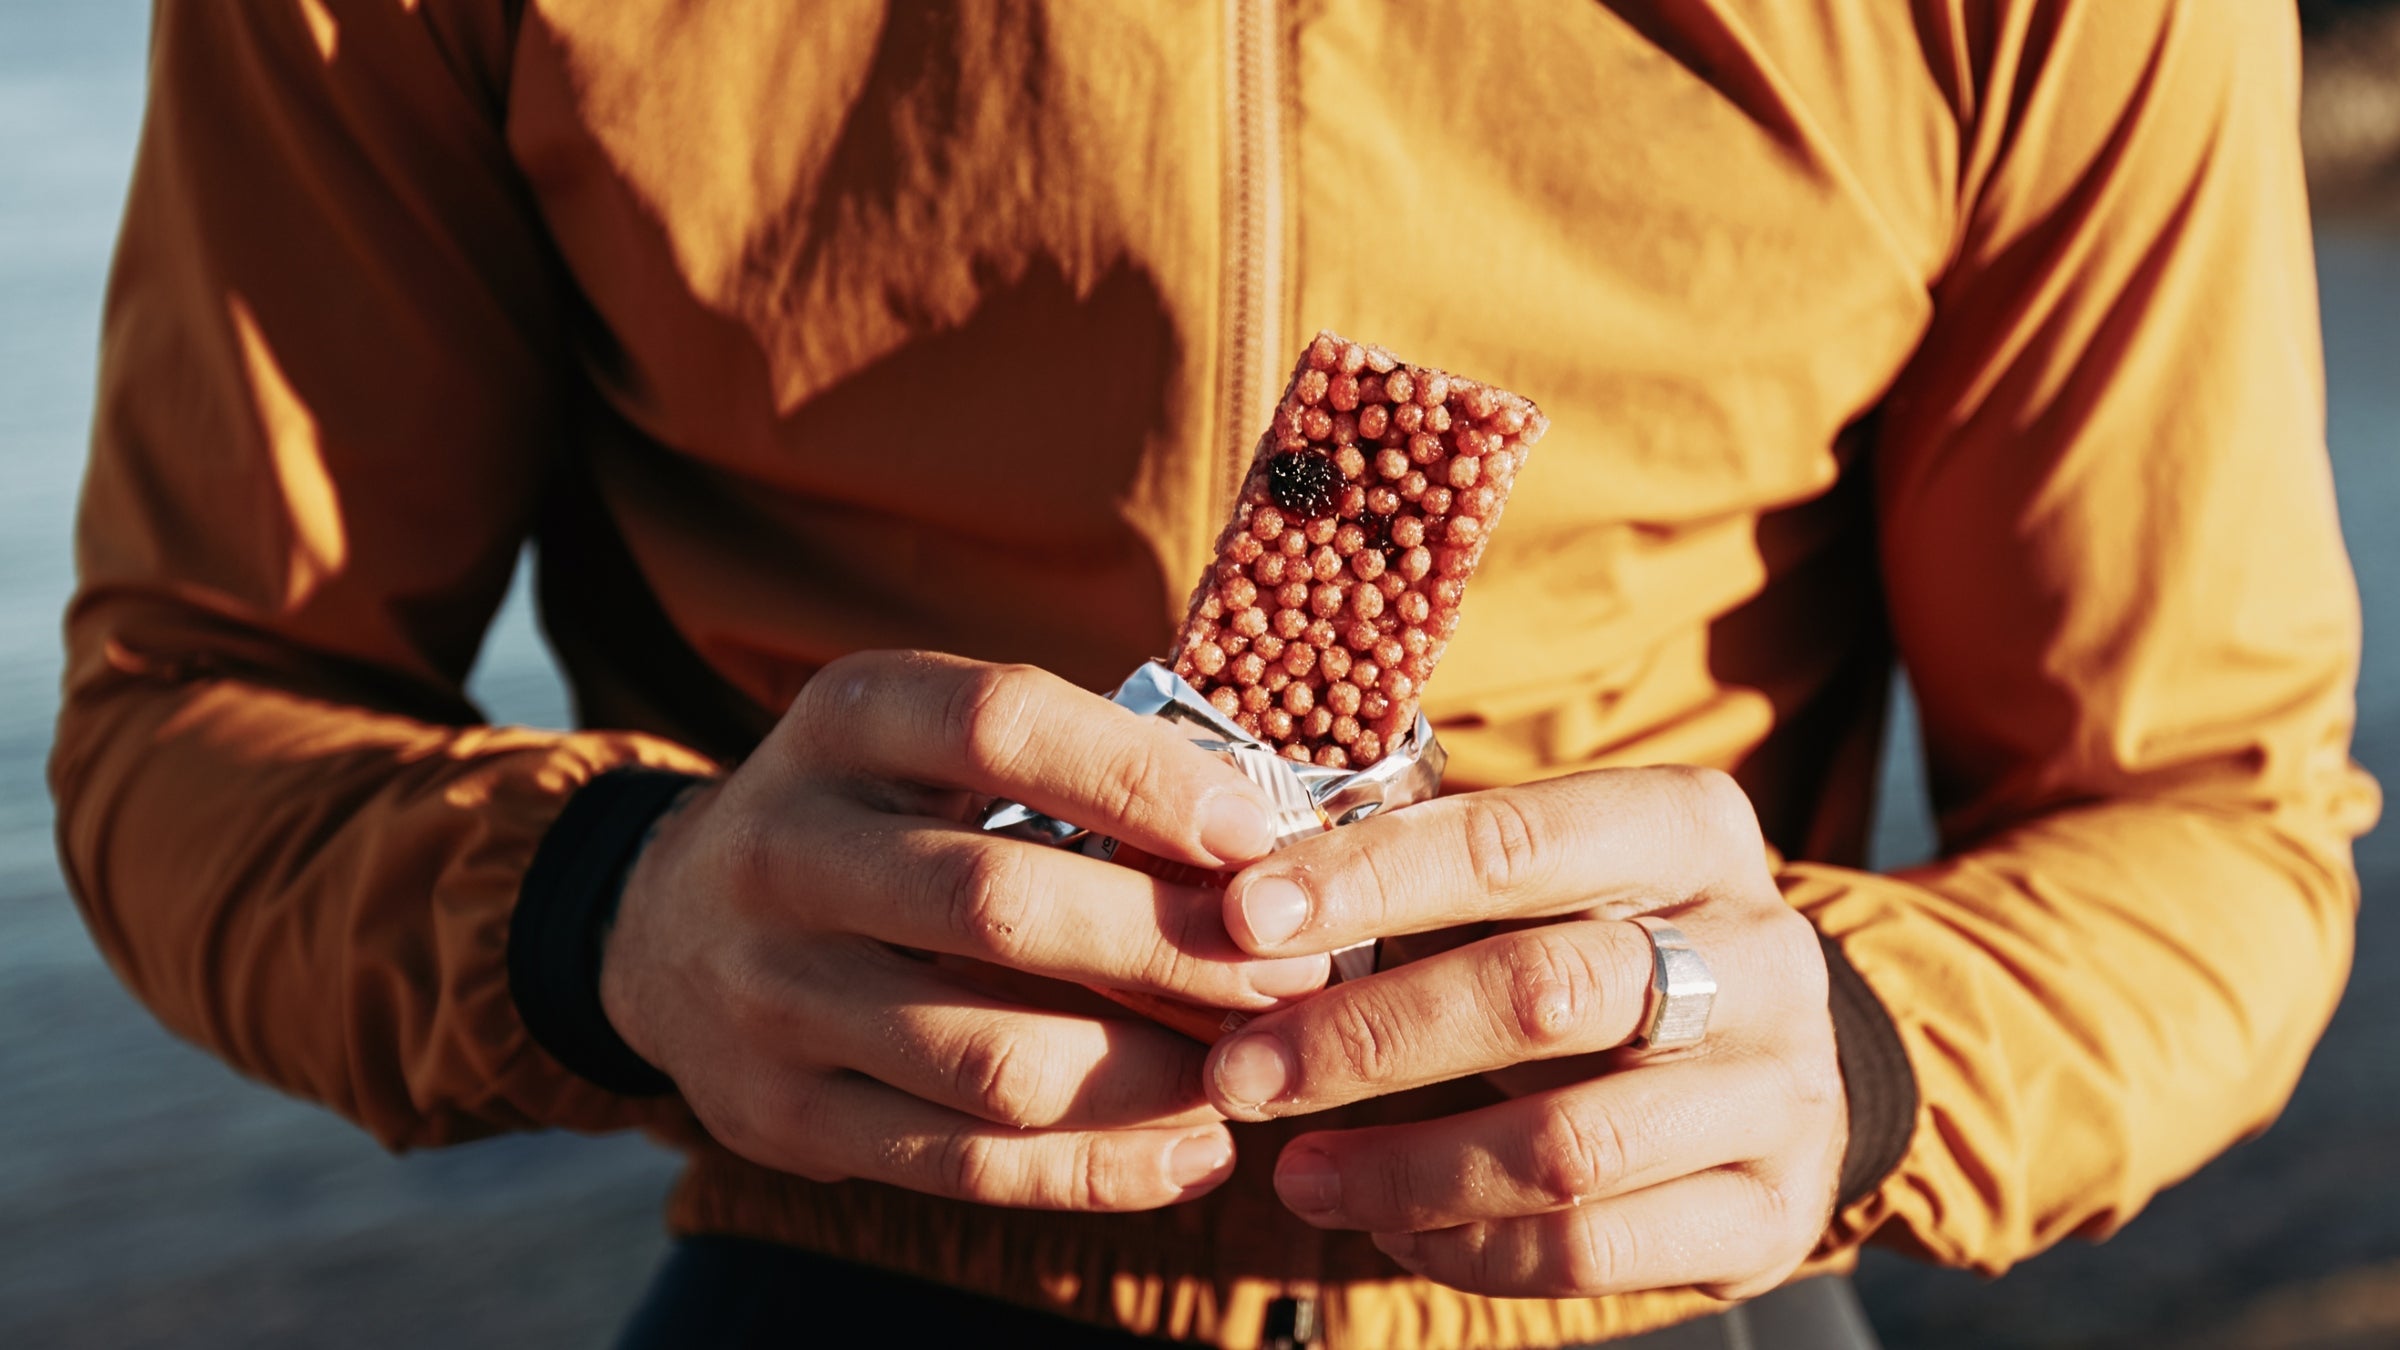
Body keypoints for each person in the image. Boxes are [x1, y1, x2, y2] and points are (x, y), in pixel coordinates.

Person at [51, 3, 2376, 1347]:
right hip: (840, 1289)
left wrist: (1862, 1051)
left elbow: (2214, 829)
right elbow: (192, 707)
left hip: (1669, 1301)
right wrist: (611, 919)